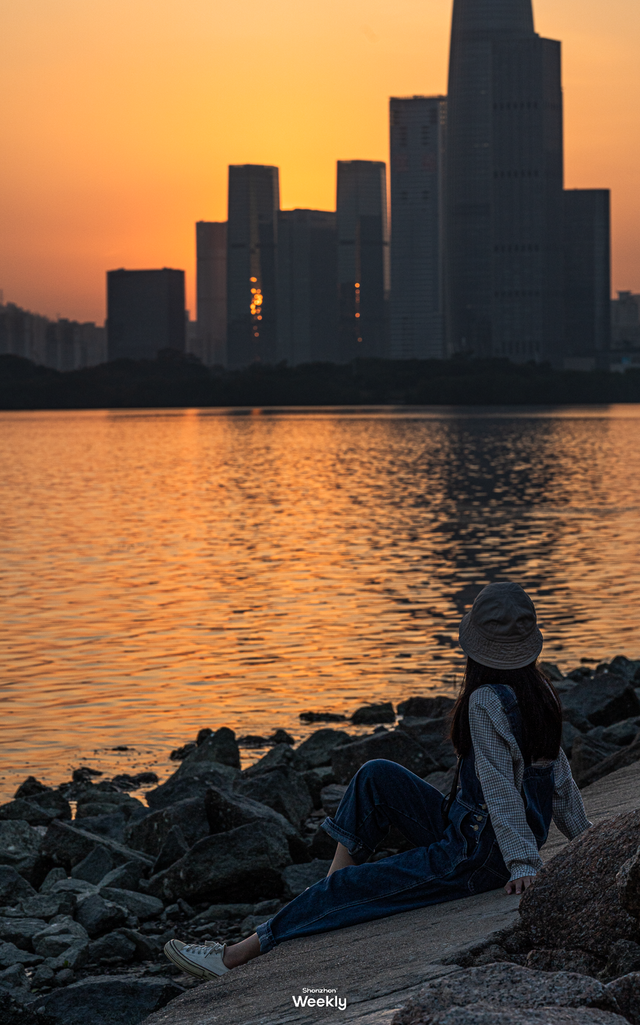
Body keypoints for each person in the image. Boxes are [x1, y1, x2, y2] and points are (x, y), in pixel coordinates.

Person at [164, 581, 591, 981]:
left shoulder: (484, 701)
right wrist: (589, 839)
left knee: (349, 887)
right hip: (474, 832)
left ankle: (234, 956)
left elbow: (499, 789)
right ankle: (328, 893)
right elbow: (560, 780)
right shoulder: (542, 693)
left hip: (476, 856)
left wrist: (522, 864)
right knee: (376, 775)